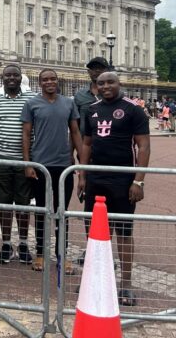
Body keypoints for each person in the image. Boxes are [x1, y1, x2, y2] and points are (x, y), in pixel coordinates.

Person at [77, 71, 150, 307]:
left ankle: (126, 283)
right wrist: (82, 175)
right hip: (96, 178)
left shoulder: (133, 110)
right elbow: (86, 144)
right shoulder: (91, 109)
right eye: (101, 83)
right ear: (96, 86)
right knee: (94, 232)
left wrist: (138, 181)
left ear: (119, 84)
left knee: (124, 233)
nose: (106, 86)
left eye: (110, 82)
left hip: (122, 180)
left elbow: (143, 146)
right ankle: (96, 279)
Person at [22, 68, 82, 274]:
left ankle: (62, 254)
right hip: (41, 164)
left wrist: (82, 163)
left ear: (57, 81)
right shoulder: (32, 104)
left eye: (52, 79)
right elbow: (26, 134)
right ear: (40, 83)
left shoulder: (68, 103)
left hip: (63, 164)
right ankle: (40, 252)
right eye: (45, 79)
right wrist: (28, 163)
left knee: (61, 212)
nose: (49, 82)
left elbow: (75, 132)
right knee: (41, 210)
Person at [0, 64, 38, 265]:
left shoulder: (32, 97)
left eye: (15, 75)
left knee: (23, 204)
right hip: (1, 158)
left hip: (24, 160)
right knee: (4, 203)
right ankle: (6, 244)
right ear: (2, 78)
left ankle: (23, 243)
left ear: (21, 77)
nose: (11, 78)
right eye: (8, 75)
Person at [74, 56, 108, 265]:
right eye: (93, 69)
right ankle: (91, 247)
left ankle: (106, 250)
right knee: (89, 205)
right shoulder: (80, 97)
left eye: (100, 68)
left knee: (110, 207)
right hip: (87, 154)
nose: (96, 72)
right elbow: (75, 128)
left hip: (109, 155)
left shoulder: (113, 94)